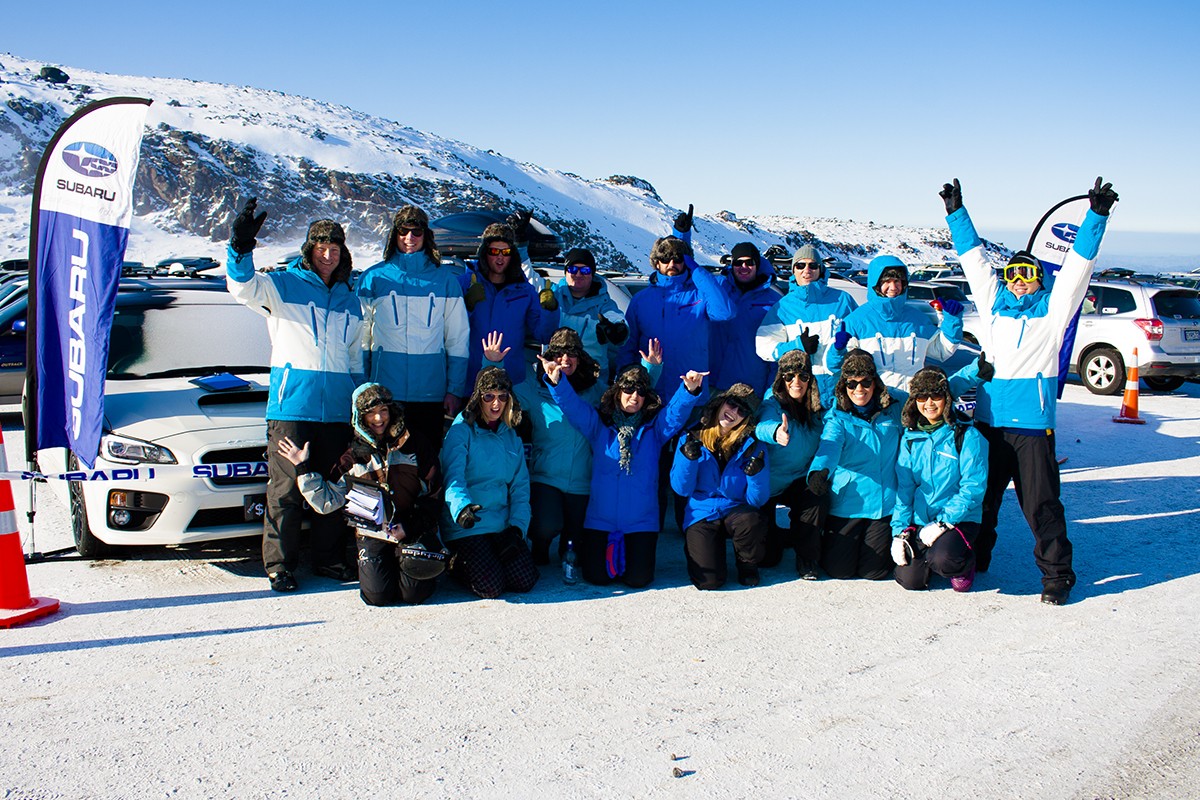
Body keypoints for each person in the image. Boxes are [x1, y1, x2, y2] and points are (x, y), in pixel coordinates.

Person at [939, 176, 1118, 605]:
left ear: (1039, 279)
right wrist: (956, 213)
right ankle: (974, 560)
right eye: (1013, 275)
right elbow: (973, 260)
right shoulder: (993, 306)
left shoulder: (1053, 313)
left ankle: (1057, 577)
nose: (1019, 281)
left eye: (1028, 274)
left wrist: (1096, 216)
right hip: (988, 422)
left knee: (1041, 507)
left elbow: (1077, 267)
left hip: (1032, 427)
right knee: (982, 502)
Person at [225, 198, 364, 593]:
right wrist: (240, 247)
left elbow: (355, 359)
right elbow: (242, 287)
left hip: (336, 410)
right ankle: (280, 565)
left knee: (332, 484)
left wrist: (356, 406)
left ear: (343, 253)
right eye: (321, 247)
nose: (327, 254)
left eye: (334, 248)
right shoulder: (282, 285)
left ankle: (327, 558)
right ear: (309, 249)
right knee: (285, 489)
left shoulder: (349, 299)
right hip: (292, 406)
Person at [542, 357, 708, 588]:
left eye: (640, 392)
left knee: (638, 579)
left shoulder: (654, 429)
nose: (634, 396)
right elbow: (574, 408)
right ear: (617, 391)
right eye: (628, 389)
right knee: (596, 577)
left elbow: (675, 414)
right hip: (600, 519)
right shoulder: (599, 426)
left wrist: (689, 390)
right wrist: (557, 382)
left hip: (641, 521)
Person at [275, 384, 444, 606]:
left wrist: (411, 526)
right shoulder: (351, 457)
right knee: (378, 597)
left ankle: (418, 560)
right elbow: (326, 502)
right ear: (359, 417)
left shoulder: (415, 445)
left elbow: (434, 493)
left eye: (383, 410)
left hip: (412, 528)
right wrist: (302, 469)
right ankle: (383, 564)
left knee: (413, 595)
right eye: (370, 413)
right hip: (373, 534)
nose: (378, 418)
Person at [356, 206, 469, 441]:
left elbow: (457, 339)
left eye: (416, 232)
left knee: (427, 467)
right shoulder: (373, 278)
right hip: (385, 395)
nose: (410, 238)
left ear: (425, 235)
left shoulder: (445, 281)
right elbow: (360, 339)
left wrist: (454, 390)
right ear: (394, 235)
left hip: (431, 393)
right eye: (403, 231)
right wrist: (362, 387)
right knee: (389, 468)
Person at [440, 366, 539, 599]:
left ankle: (491, 558)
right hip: (469, 524)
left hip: (501, 523)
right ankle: (455, 563)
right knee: (491, 587)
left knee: (524, 580)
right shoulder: (461, 431)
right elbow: (453, 477)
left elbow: (520, 487)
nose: (496, 404)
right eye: (489, 397)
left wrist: (517, 528)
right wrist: (461, 509)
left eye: (502, 397)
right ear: (478, 398)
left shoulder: (511, 436)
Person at [618, 205, 737, 397]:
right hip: (649, 393)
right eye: (665, 258)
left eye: (678, 258)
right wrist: (624, 383)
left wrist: (695, 268)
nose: (672, 263)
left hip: (691, 391)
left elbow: (724, 312)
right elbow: (627, 346)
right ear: (656, 263)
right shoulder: (641, 300)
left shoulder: (699, 295)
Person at [806, 349, 903, 580]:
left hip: (883, 503)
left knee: (875, 572)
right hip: (849, 502)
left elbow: (931, 394)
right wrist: (819, 472)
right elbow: (829, 448)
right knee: (841, 571)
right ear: (844, 385)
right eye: (852, 384)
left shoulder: (894, 407)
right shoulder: (837, 418)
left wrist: (974, 374)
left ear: (874, 382)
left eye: (866, 382)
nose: (859, 389)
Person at [890, 367, 988, 593]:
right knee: (909, 579)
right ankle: (927, 560)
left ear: (947, 398)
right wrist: (899, 531)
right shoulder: (911, 438)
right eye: (922, 397)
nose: (929, 403)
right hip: (922, 519)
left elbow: (973, 488)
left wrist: (944, 523)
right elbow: (905, 489)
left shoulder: (966, 435)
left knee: (943, 560)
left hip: (960, 518)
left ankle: (965, 564)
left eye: (936, 396)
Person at [671, 384, 771, 589]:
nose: (734, 412)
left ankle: (747, 564)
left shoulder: (754, 445)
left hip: (735, 509)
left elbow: (757, 501)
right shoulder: (692, 436)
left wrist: (755, 475)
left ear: (747, 418)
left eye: (742, 410)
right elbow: (681, 489)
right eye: (732, 404)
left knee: (753, 520)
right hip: (701, 511)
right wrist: (687, 459)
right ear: (721, 402)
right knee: (709, 581)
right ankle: (702, 549)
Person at [826, 253, 964, 401]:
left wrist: (952, 321)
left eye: (897, 281)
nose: (893, 287)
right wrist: (838, 349)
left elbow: (942, 351)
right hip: (878, 405)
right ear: (876, 284)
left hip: (913, 402)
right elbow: (834, 367)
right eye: (887, 281)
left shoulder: (917, 319)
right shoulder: (856, 321)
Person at [755, 244, 859, 406]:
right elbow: (763, 347)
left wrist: (842, 349)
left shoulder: (843, 300)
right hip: (802, 391)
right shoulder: (783, 307)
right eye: (800, 265)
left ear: (820, 269)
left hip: (839, 388)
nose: (807, 270)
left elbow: (860, 339)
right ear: (794, 270)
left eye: (813, 265)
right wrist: (797, 346)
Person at [754, 349, 826, 580]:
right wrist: (775, 432)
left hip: (799, 479)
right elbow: (761, 425)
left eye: (803, 376)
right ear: (781, 379)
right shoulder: (772, 402)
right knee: (767, 558)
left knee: (816, 496)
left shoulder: (816, 406)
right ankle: (783, 535)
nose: (797, 382)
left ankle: (807, 558)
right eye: (789, 376)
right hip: (770, 482)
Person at [460, 220, 559, 389]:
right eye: (494, 251)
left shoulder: (525, 290)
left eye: (505, 251)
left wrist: (549, 311)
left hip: (510, 383)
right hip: (471, 381)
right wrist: (467, 306)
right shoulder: (465, 283)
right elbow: (448, 330)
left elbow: (543, 335)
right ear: (484, 252)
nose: (500, 257)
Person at [708, 242, 779, 396]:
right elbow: (685, 275)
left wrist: (770, 393)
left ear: (757, 264)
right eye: (738, 262)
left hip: (749, 389)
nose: (744, 267)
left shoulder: (774, 301)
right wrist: (682, 233)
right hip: (712, 383)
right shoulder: (717, 289)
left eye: (750, 262)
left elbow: (777, 351)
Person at [552, 247, 628, 385]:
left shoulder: (603, 304)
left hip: (593, 381)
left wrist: (619, 329)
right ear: (566, 273)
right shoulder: (553, 298)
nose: (579, 274)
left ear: (592, 274)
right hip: (556, 377)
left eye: (585, 270)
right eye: (573, 269)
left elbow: (615, 316)